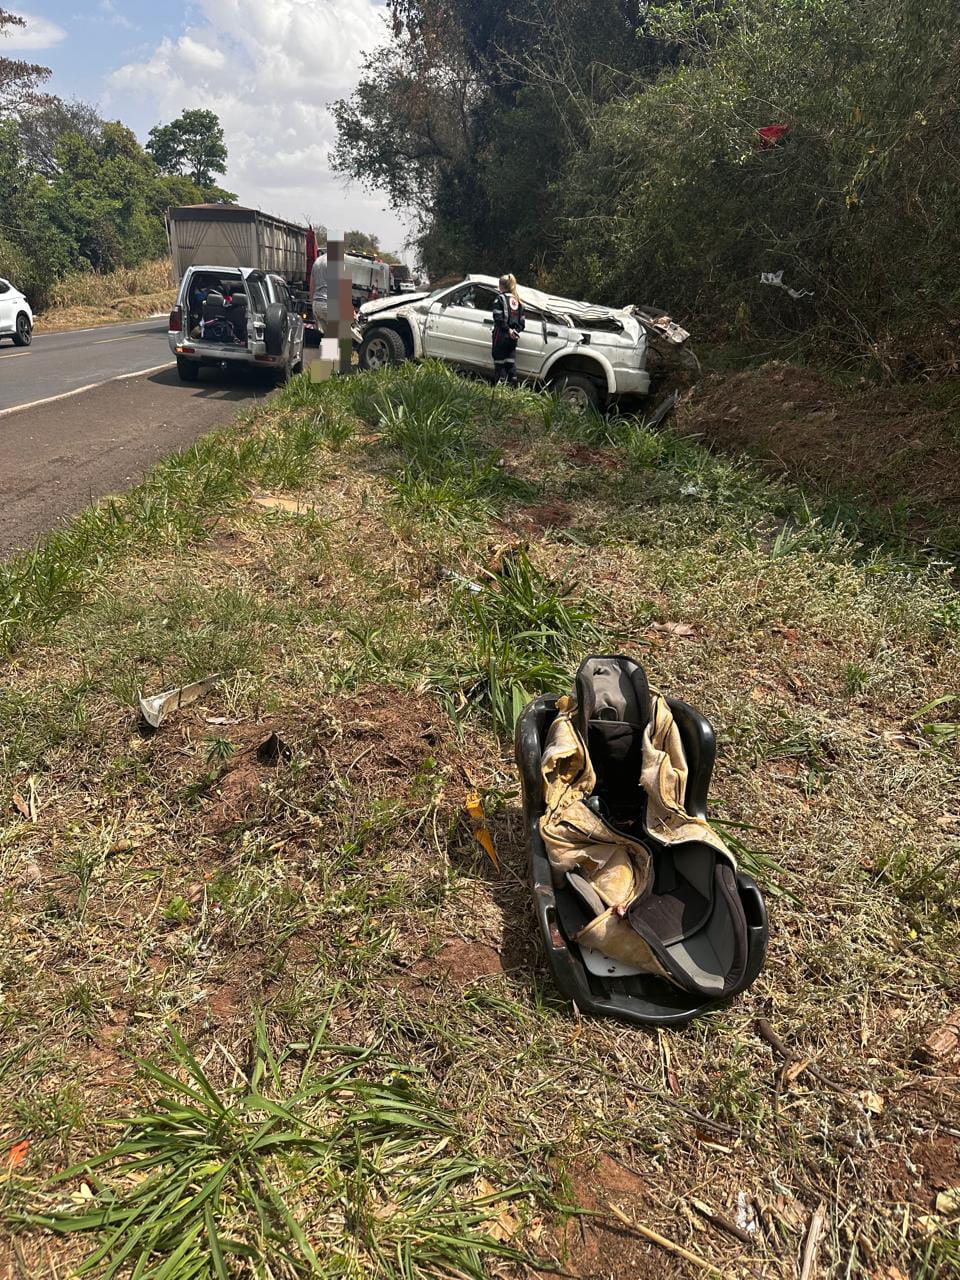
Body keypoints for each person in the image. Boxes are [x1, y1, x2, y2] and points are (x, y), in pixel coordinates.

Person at [492, 273, 524, 384]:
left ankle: (498, 390)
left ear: (501, 285)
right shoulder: (518, 301)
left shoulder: (500, 299)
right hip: (513, 338)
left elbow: (498, 318)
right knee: (510, 364)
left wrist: (507, 330)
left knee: (499, 364)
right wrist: (515, 331)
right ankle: (512, 390)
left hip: (501, 336)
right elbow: (522, 322)